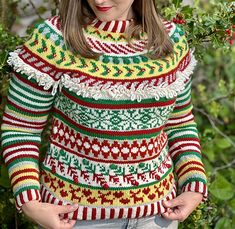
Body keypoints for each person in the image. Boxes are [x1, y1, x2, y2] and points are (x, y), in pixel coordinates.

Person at [1, 0, 208, 228]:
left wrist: (193, 183)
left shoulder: (171, 41)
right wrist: (30, 201)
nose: (99, 0)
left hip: (159, 217)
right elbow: (21, 127)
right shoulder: (53, 41)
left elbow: (180, 124)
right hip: (75, 219)